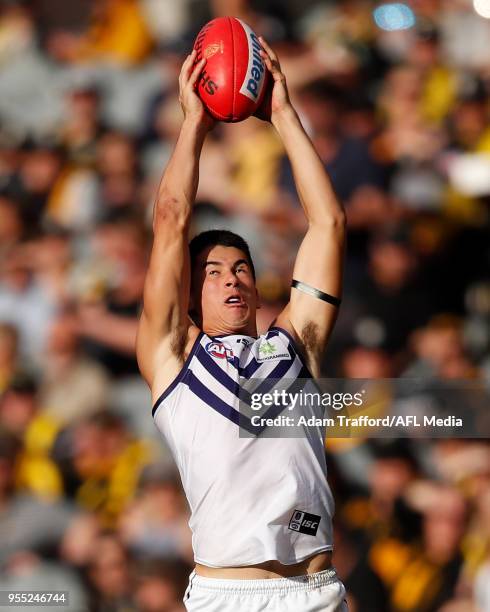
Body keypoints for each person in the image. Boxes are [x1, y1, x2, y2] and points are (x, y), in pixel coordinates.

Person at [136, 37, 347, 612]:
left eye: (241, 269)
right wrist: (194, 124)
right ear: (189, 295)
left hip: (317, 593)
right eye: (211, 273)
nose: (231, 280)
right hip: (230, 596)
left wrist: (281, 114)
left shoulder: (295, 346)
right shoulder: (173, 359)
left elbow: (327, 223)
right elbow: (172, 218)